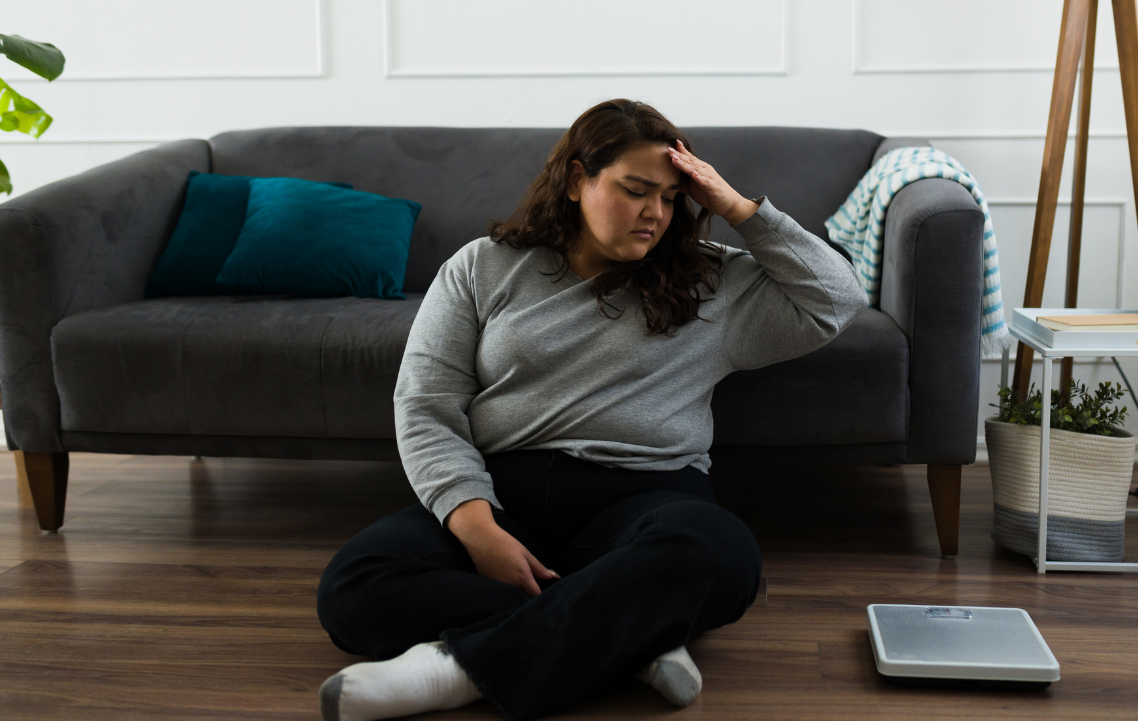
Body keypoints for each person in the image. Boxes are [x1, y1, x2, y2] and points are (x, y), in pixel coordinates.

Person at [315, 99, 870, 721]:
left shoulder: (716, 282)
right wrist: (478, 530)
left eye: (669, 197)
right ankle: (632, 637)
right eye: (635, 191)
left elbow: (836, 298)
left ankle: (454, 670)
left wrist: (738, 209)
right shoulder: (483, 266)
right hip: (502, 497)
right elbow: (425, 403)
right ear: (578, 180)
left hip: (647, 499)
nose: (655, 214)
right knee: (353, 586)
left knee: (723, 553)